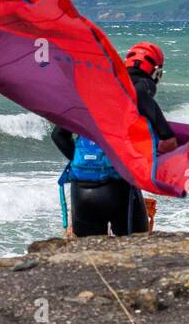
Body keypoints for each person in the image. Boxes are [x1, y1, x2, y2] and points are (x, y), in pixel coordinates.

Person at [52, 41, 177, 237]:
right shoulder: (142, 84)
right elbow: (143, 100)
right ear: (155, 71)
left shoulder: (93, 90)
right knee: (136, 247)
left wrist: (82, 164)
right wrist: (168, 137)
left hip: (81, 189)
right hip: (117, 188)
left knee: (88, 254)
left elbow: (58, 135)